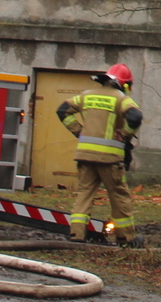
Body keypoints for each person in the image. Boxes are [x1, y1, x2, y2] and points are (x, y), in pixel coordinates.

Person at [58, 63, 143, 245]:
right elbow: (135, 117)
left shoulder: (86, 96)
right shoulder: (121, 99)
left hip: (85, 156)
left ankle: (76, 235)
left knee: (84, 194)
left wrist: (78, 131)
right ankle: (126, 237)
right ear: (124, 84)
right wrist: (125, 134)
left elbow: (62, 111)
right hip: (109, 158)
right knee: (118, 196)